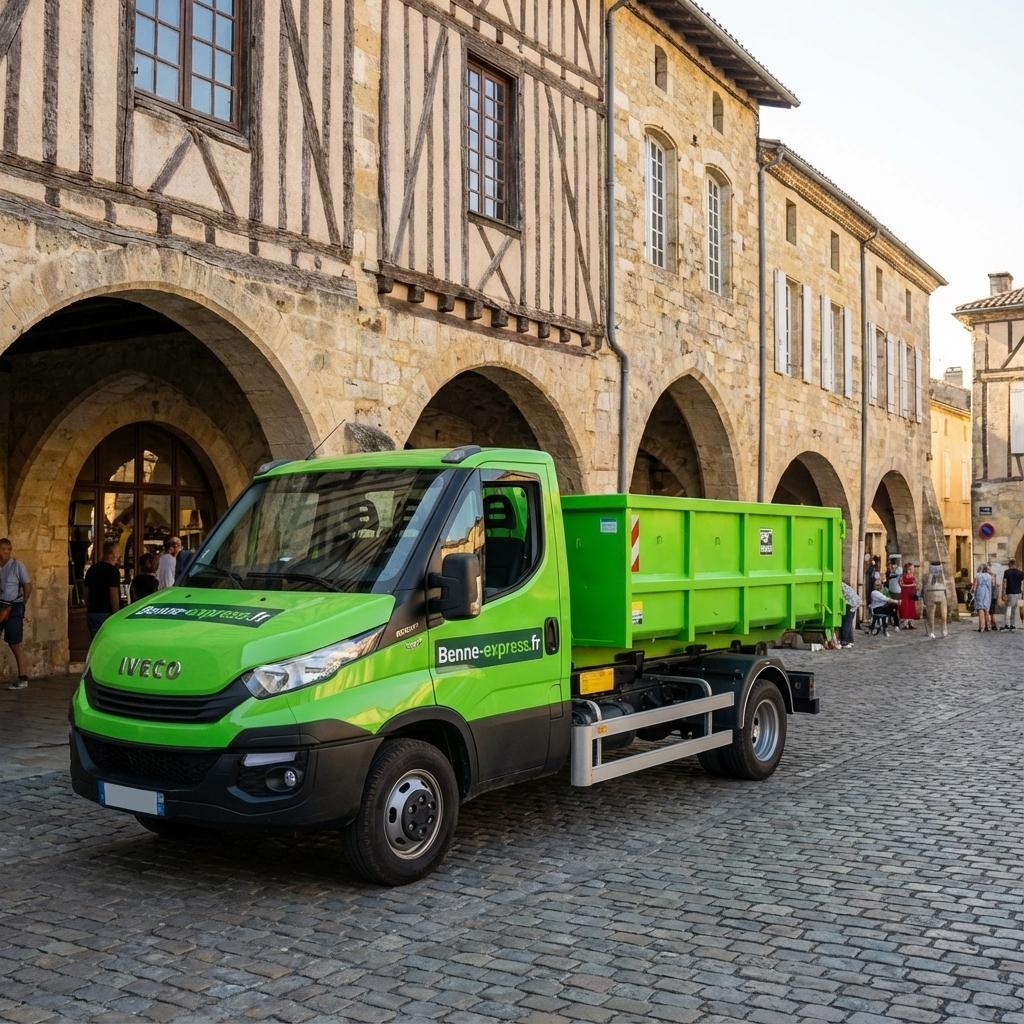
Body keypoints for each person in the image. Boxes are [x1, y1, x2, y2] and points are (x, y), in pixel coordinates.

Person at [0, 538, 32, 690]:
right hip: (0, 605)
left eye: (7, 549)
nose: (4, 552)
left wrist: (22, 603)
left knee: (15, 643)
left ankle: (23, 677)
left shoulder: (17, 565)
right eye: (2, 549)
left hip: (14, 606)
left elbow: (27, 585)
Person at [84, 542, 121, 638]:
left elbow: (86, 592)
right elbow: (113, 594)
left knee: (94, 642)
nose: (119, 555)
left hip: (92, 613)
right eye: (118, 552)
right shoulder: (113, 571)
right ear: (113, 554)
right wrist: (117, 614)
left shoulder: (91, 570)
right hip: (106, 614)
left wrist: (89, 607)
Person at [922, 562, 948, 639]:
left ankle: (944, 628)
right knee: (931, 615)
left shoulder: (943, 575)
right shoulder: (927, 576)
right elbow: (925, 587)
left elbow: (947, 586)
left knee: (944, 615)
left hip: (941, 594)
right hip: (931, 594)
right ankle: (931, 631)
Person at [1000, 558, 1023, 631]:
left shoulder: (1007, 572)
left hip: (1010, 593)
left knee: (1008, 609)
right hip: (1018, 593)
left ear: (1010, 564)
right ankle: (1013, 625)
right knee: (1014, 609)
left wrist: (1003, 593)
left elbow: (1004, 583)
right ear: (1015, 564)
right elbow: (1022, 583)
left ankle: (1007, 624)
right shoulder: (1021, 572)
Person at [971, 563, 994, 632]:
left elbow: (974, 588)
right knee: (986, 611)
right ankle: (989, 627)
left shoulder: (977, 575)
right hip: (987, 593)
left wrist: (972, 591)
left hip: (980, 593)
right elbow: (992, 585)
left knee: (981, 610)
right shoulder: (989, 576)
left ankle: (982, 627)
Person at [840, 581, 861, 648]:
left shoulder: (838, 585)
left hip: (850, 603)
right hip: (854, 603)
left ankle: (844, 642)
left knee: (846, 624)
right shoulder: (843, 584)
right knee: (849, 624)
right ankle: (850, 641)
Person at [898, 562, 918, 630]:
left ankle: (911, 623)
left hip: (911, 594)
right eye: (911, 568)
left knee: (911, 608)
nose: (912, 570)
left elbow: (916, 584)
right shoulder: (902, 576)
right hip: (904, 594)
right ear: (907, 569)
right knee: (905, 608)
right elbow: (901, 584)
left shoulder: (913, 576)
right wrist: (911, 585)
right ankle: (905, 624)